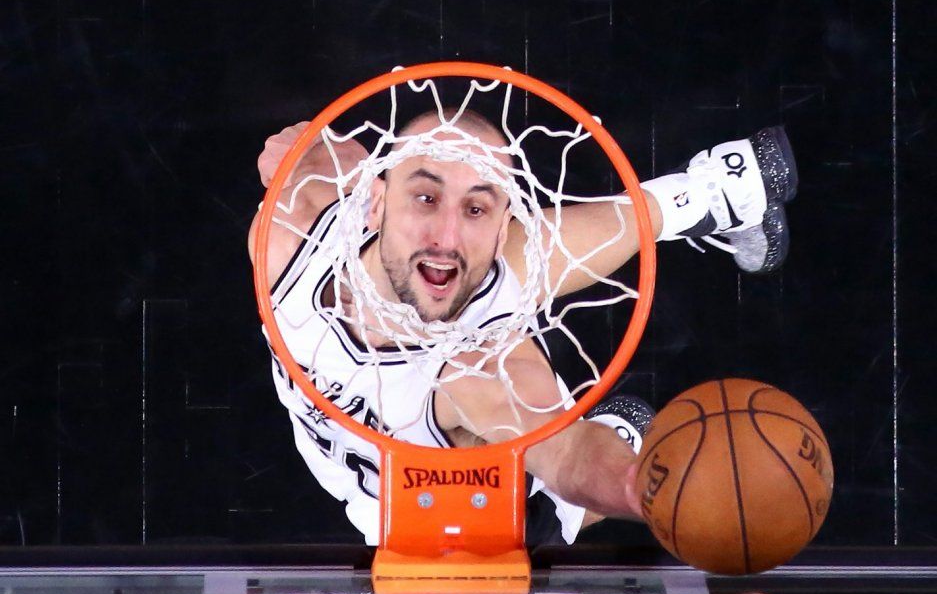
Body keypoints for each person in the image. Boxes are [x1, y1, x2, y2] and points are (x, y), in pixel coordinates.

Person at [248, 109, 797, 545]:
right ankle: (715, 191)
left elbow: (567, 452)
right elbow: (317, 157)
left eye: (479, 210)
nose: (445, 233)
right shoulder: (289, 231)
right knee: (500, 259)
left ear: (505, 218)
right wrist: (302, 145)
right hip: (358, 471)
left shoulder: (488, 374)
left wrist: (647, 487)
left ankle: (623, 437)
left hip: (470, 514)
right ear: (372, 201)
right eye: (425, 195)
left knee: (520, 529)